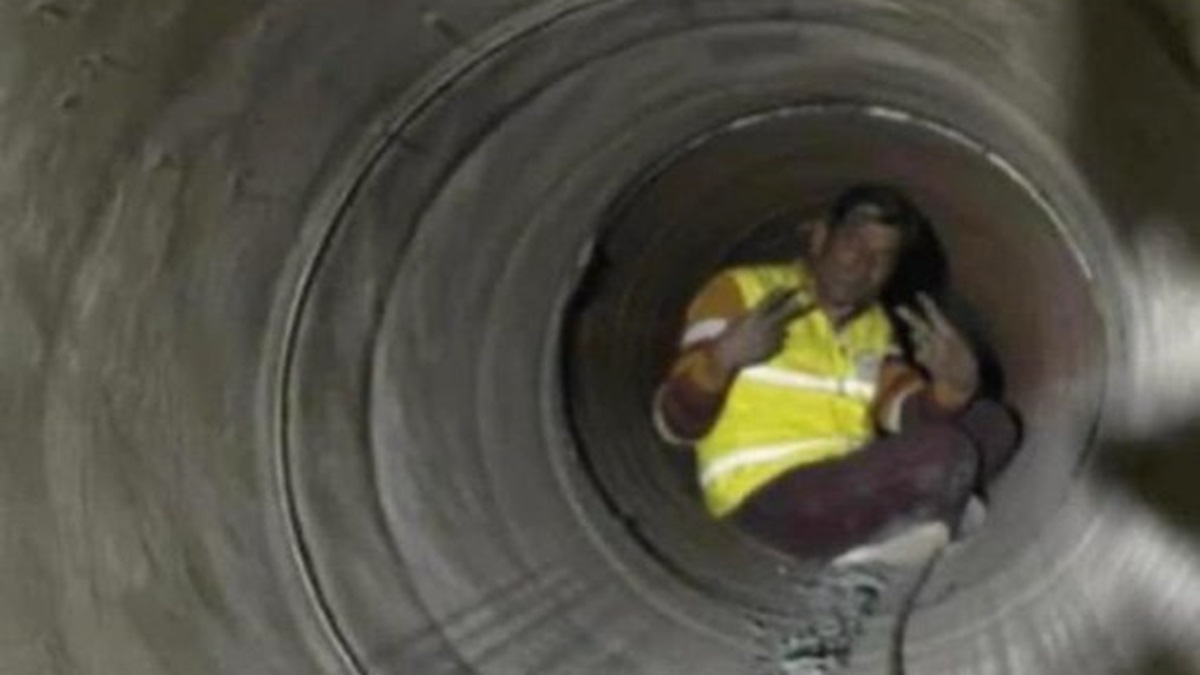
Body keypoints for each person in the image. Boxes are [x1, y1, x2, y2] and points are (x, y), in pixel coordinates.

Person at [652, 184, 1019, 672]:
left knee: (992, 424)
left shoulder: (875, 328)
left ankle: (917, 523)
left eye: (883, 256)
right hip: (767, 495)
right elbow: (674, 423)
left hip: (850, 483)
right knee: (945, 456)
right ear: (821, 237)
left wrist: (952, 388)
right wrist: (722, 359)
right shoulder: (741, 291)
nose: (863, 263)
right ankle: (911, 533)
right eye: (854, 244)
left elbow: (905, 415)